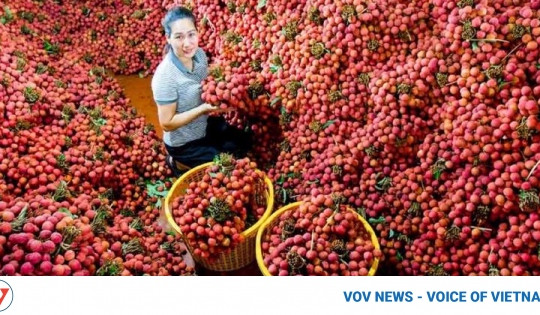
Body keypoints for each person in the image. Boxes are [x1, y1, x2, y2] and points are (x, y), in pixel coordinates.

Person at [151, 6, 252, 176]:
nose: (187, 43)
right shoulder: (165, 77)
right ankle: (178, 161)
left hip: (203, 126)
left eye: (191, 34)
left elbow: (207, 84)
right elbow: (167, 123)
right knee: (226, 170)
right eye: (179, 37)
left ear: (197, 32)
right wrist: (203, 109)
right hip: (184, 143)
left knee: (244, 142)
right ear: (168, 38)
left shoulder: (199, 55)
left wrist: (225, 86)